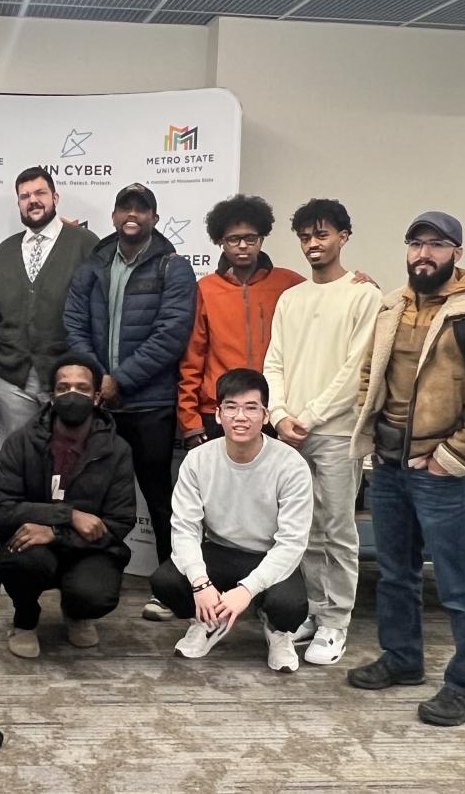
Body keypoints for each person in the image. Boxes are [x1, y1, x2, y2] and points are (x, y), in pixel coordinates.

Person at [347, 210, 465, 727]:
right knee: (395, 574)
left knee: (458, 584)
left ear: (456, 253)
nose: (424, 254)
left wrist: (452, 457)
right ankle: (402, 659)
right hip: (390, 465)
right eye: (416, 244)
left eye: (437, 244)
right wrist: (372, 434)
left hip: (443, 472)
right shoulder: (391, 307)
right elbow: (369, 375)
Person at [63, 182, 196, 622]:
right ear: (115, 216)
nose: (132, 215)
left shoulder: (174, 267)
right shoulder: (94, 264)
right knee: (89, 495)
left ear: (155, 217)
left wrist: (120, 380)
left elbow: (172, 333)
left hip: (150, 405)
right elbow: (74, 322)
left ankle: (172, 590)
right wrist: (97, 378)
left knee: (160, 500)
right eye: (125, 208)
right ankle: (88, 582)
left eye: (142, 209)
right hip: (100, 404)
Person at [262, 198, 381, 666]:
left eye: (323, 234)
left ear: (344, 237)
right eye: (305, 236)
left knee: (338, 530)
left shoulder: (363, 295)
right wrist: (278, 415)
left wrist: (308, 417)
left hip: (335, 432)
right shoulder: (291, 298)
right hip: (290, 431)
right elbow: (274, 361)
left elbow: (357, 370)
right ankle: (313, 609)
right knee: (303, 530)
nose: (313, 243)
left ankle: (337, 621)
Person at [150, 369, 313, 672]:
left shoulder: (291, 465)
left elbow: (292, 543)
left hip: (268, 554)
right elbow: (185, 528)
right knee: (166, 581)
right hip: (220, 550)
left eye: (251, 408)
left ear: (265, 415)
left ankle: (277, 632)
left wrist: (247, 590)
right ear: (218, 414)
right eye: (231, 407)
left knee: (289, 607)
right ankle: (207, 621)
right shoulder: (198, 460)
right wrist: (200, 583)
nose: (240, 417)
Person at [0, 351, 135, 659]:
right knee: (21, 559)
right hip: (33, 547)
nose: (72, 394)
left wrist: (56, 532)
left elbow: (119, 522)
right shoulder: (21, 441)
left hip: (88, 548)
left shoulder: (117, 449)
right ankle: (25, 619)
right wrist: (68, 515)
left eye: (82, 388)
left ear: (97, 397)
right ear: (52, 396)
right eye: (63, 387)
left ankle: (77, 613)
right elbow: (0, 510)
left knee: (94, 594)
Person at [178, 194, 302, 446]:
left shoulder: (289, 283)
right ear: (220, 242)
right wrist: (190, 420)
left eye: (250, 238)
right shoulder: (206, 289)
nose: (243, 245)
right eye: (233, 239)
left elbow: (328, 293)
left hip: (273, 409)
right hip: (219, 408)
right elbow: (193, 357)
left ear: (261, 239)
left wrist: (359, 283)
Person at [0, 167, 100, 436]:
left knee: (70, 451)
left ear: (55, 198)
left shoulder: (84, 243)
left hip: (68, 379)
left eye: (40, 193)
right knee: (23, 454)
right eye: (25, 196)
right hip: (11, 381)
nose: (33, 200)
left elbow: (101, 311)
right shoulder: (4, 252)